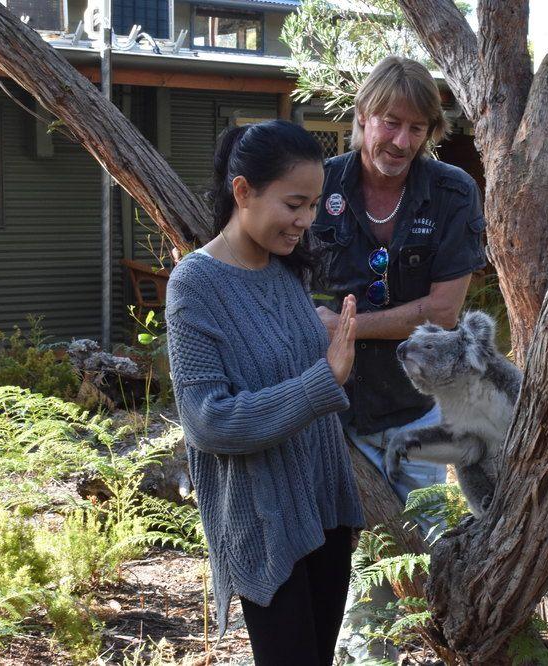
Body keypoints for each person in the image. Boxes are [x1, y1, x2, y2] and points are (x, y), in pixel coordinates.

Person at [165, 120, 365, 666]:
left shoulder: (285, 272)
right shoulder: (194, 285)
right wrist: (325, 379)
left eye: (314, 204)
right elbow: (208, 422)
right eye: (294, 203)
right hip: (264, 519)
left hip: (323, 504)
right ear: (243, 191)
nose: (306, 220)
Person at [310, 56, 487, 659]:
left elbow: (442, 311)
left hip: (417, 414)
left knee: (412, 565)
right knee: (327, 569)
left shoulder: (451, 191)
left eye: (417, 129)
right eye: (390, 122)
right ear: (362, 117)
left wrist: (348, 328)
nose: (401, 141)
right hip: (324, 413)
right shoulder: (318, 184)